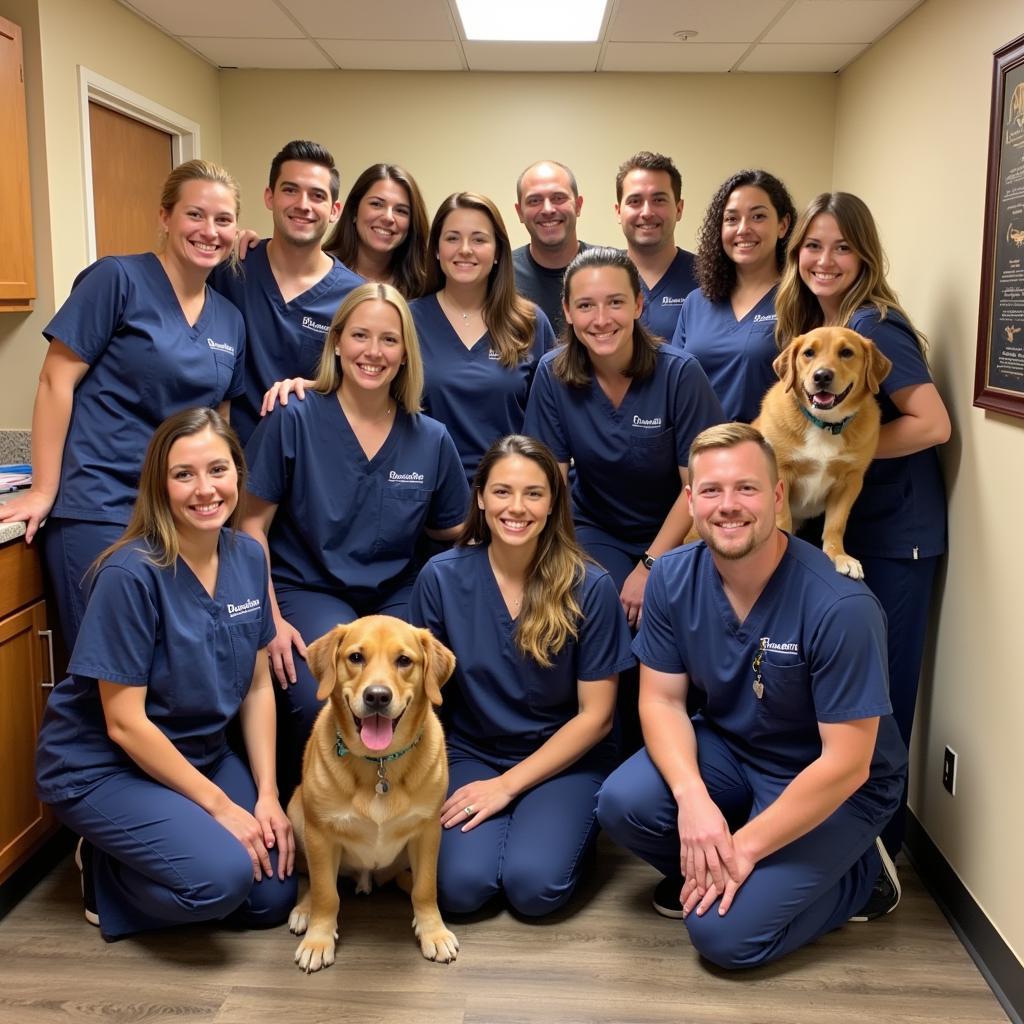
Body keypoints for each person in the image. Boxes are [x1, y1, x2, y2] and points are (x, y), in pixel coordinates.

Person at [596, 423, 908, 969]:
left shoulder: (841, 606)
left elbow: (847, 765)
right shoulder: (671, 578)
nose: (729, 506)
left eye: (747, 488)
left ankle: (861, 876)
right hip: (736, 749)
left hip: (834, 781)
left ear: (779, 494)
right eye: (711, 490)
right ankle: (720, 871)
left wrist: (742, 849)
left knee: (722, 938)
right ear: (691, 502)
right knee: (624, 804)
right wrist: (693, 801)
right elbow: (661, 701)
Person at [34, 407, 296, 941]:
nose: (205, 490)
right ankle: (104, 875)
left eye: (218, 470)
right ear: (160, 484)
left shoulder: (248, 555)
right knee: (220, 882)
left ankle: (162, 848)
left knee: (271, 895)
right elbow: (124, 724)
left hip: (199, 750)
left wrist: (268, 794)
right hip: (105, 766)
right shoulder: (130, 574)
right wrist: (221, 807)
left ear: (238, 475)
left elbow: (257, 683)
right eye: (184, 475)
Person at [0, 160, 247, 654]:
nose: (209, 231)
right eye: (195, 215)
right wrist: (45, 490)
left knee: (166, 664)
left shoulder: (230, 319)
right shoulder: (117, 280)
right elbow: (55, 381)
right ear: (165, 217)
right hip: (102, 504)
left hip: (180, 512)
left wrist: (219, 502)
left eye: (223, 220)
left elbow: (217, 422)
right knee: (108, 668)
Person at [774, 192, 951, 864]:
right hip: (852, 536)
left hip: (895, 539)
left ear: (864, 255)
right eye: (813, 246)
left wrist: (838, 449)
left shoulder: (876, 326)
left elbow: (933, 424)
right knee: (848, 699)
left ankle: (879, 855)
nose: (825, 260)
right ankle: (842, 847)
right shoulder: (820, 328)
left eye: (842, 247)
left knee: (880, 703)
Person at [240, 283, 469, 780]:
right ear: (337, 342)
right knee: (311, 696)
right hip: (308, 588)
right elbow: (250, 525)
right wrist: (270, 621)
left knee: (429, 687)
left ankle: (406, 814)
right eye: (360, 335)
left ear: (406, 353)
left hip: (397, 592)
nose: (373, 352)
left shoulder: (429, 437)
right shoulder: (293, 416)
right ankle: (323, 819)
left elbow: (456, 528)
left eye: (389, 340)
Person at [410, 435, 633, 917]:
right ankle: (519, 831)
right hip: (473, 751)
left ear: (553, 503)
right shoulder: (440, 578)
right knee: (461, 890)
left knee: (534, 890)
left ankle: (561, 831)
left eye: (534, 493)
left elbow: (596, 718)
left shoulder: (590, 586)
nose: (517, 507)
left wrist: (508, 787)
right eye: (503, 491)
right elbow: (423, 697)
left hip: (566, 756)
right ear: (481, 498)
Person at [524, 247, 723, 626]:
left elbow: (699, 487)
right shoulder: (553, 375)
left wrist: (651, 565)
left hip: (678, 528)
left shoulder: (680, 375)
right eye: (585, 306)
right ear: (566, 311)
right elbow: (551, 481)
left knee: (673, 611)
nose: (601, 319)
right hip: (597, 527)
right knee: (600, 603)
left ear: (637, 304)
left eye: (615, 302)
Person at [212, 141, 362, 445]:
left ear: (334, 210)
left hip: (310, 461)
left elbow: (365, 389)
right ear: (270, 197)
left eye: (317, 195)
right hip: (229, 464)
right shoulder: (230, 268)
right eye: (290, 190)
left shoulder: (355, 297)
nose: (303, 204)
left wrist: (317, 386)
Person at [412, 192, 555, 483]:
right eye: (452, 238)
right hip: (428, 490)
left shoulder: (529, 323)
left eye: (479, 239)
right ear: (437, 249)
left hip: (510, 495)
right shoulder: (407, 320)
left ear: (498, 252)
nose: (465, 249)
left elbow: (554, 420)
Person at [670, 170, 797, 422]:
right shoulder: (696, 303)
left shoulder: (798, 301)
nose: (743, 229)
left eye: (758, 216)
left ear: (783, 225)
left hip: (768, 454)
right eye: (731, 219)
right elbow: (672, 384)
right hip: (697, 452)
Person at [615, 152, 698, 341]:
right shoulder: (603, 278)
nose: (647, 212)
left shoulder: (709, 278)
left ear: (679, 209)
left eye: (659, 200)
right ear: (618, 212)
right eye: (635, 201)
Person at [322, 162, 430, 298]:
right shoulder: (320, 273)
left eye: (401, 211)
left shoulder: (424, 291)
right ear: (354, 211)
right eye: (376, 204)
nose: (388, 218)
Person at [512, 160, 589, 333]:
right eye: (534, 200)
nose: (547, 209)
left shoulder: (609, 268)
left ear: (578, 205)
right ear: (520, 212)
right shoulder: (500, 275)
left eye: (558, 198)